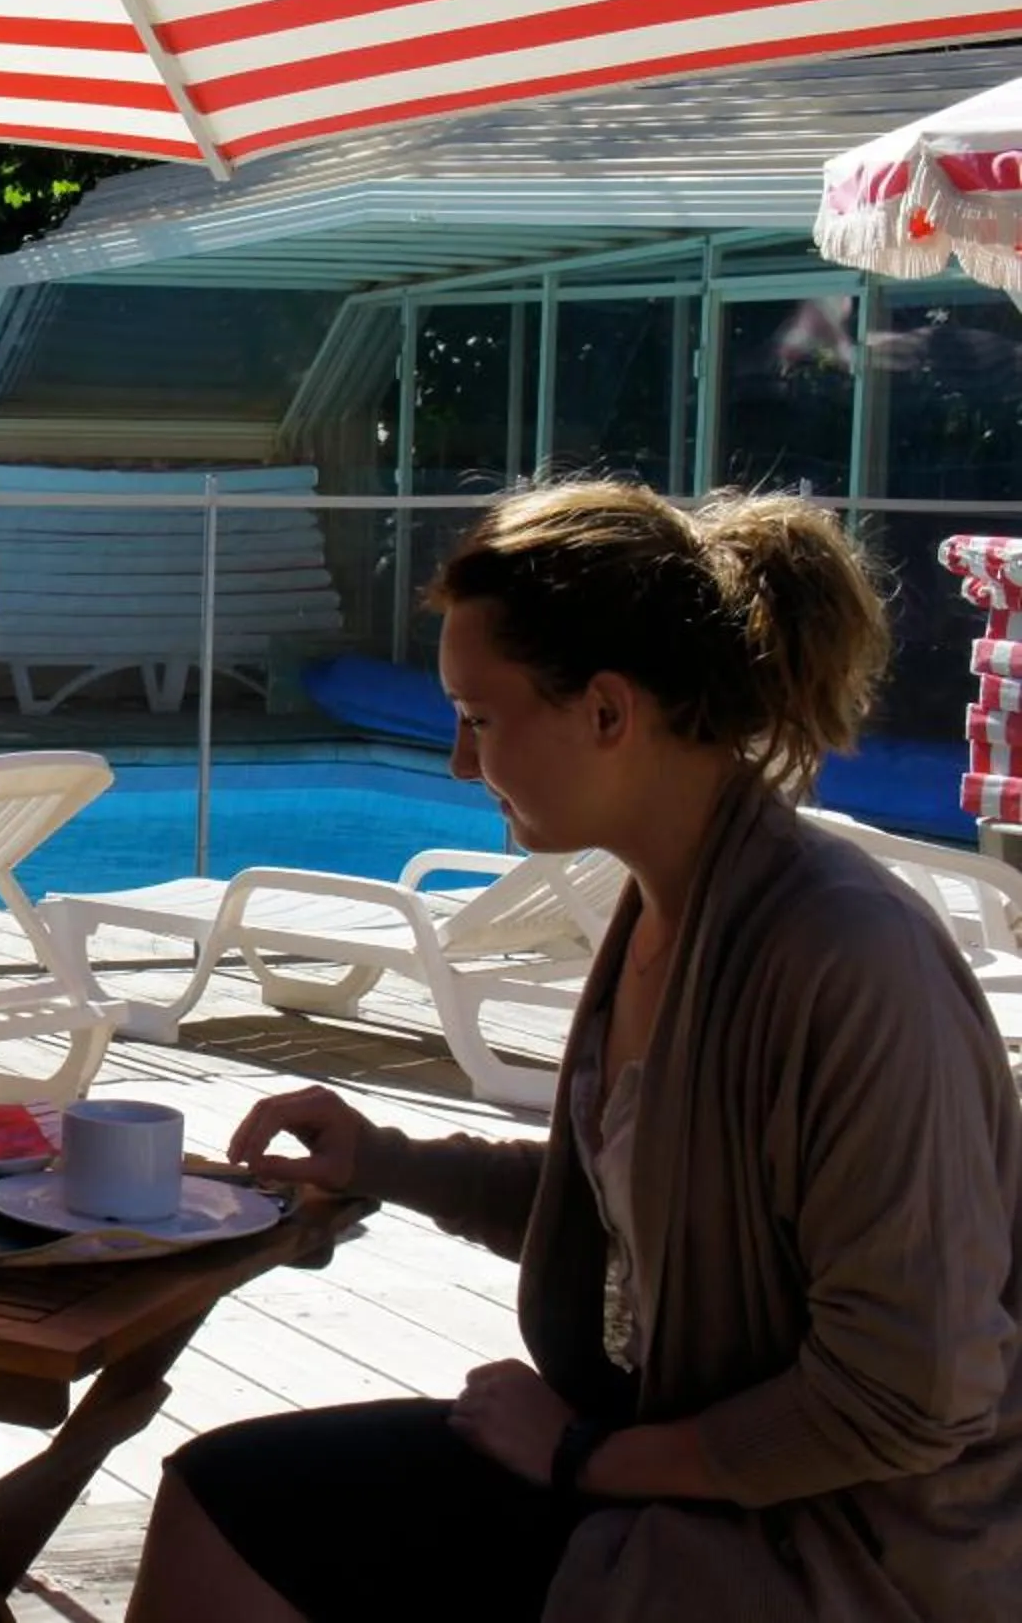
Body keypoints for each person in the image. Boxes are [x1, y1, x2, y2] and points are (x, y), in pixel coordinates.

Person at [128, 481, 1022, 1623]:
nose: (459, 761)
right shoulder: (670, 909)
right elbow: (622, 1204)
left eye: (480, 717)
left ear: (607, 711)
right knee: (228, 1494)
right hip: (689, 1477)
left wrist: (582, 1457)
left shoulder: (843, 961)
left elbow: (911, 1395)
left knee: (258, 1515)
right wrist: (385, 1160)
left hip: (842, 1553)